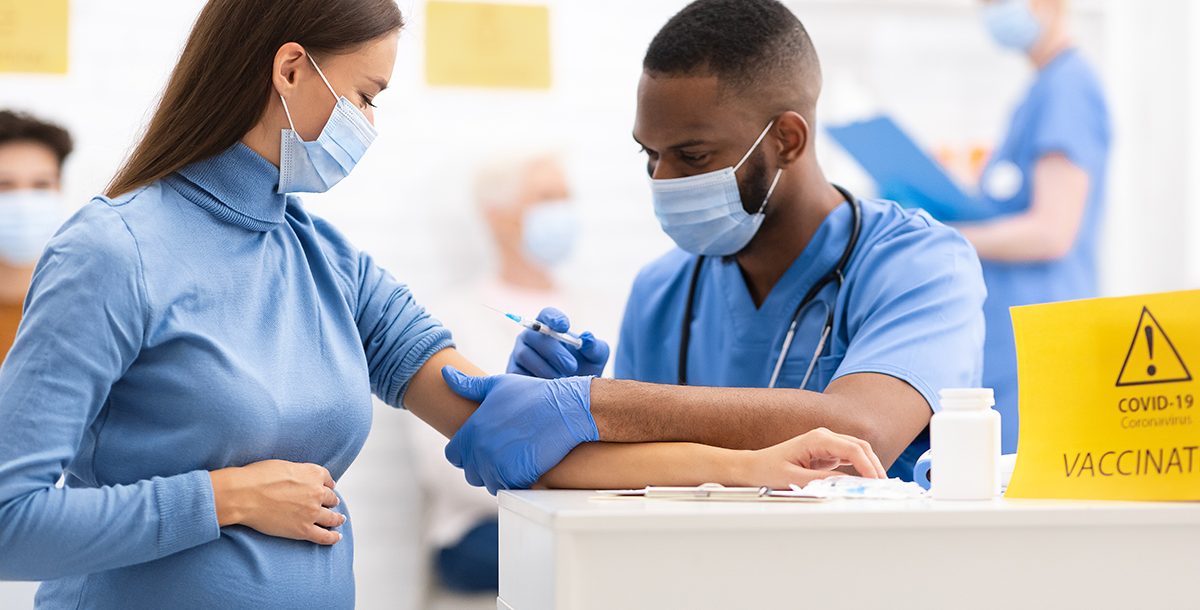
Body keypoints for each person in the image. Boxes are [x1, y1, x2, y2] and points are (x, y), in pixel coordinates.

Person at [0, 1, 885, 606]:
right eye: (367, 95)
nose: (371, 125)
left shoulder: (327, 263)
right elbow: (11, 525)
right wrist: (221, 499)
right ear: (290, 70)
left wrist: (758, 463)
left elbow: (510, 437)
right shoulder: (114, 252)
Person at [460, 0, 989, 489]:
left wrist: (600, 405)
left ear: (788, 139)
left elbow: (860, 434)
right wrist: (581, 428)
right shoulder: (662, 290)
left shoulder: (919, 265)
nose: (663, 179)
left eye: (692, 156)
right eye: (650, 154)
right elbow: (646, 486)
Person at [409, 151, 581, 595]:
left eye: (567, 197)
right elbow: (447, 463)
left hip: (581, 510)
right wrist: (568, 476)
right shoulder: (450, 319)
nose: (563, 211)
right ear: (496, 216)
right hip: (481, 525)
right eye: (546, 198)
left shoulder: (599, 311)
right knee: (577, 559)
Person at [956, 0, 1111, 452]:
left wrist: (947, 233)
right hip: (1016, 337)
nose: (992, 12)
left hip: (1042, 335)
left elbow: (1051, 231)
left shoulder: (1069, 88)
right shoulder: (1043, 88)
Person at [0, 110, 72, 363]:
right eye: (4, 185)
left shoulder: (81, 305)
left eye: (41, 185)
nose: (24, 202)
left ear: (59, 188)